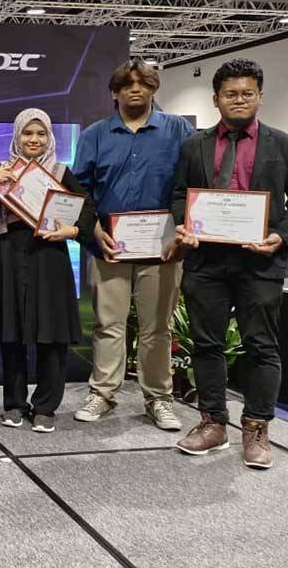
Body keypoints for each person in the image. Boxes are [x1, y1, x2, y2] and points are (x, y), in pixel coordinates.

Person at [173, 58, 288, 469]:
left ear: (260, 97)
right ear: (216, 99)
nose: (239, 100)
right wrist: (184, 224)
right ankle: (213, 423)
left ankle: (256, 428)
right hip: (206, 261)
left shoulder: (283, 145)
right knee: (207, 343)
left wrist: (281, 236)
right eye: (231, 93)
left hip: (260, 262)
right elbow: (180, 193)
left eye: (247, 93)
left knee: (261, 346)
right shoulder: (193, 144)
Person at [71, 58, 194, 430]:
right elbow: (81, 192)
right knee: (109, 324)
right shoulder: (95, 134)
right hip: (111, 246)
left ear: (154, 88)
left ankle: (158, 399)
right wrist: (94, 234)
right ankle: (102, 394)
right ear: (115, 92)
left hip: (163, 248)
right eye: (127, 85)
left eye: (143, 83)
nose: (135, 89)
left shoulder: (179, 131)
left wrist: (184, 230)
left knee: (158, 328)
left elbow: (191, 186)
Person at [0, 108, 96, 432]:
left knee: (52, 335)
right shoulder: (1, 169)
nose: (34, 139)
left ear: (49, 138)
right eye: (28, 133)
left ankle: (45, 406)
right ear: (17, 136)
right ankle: (14, 404)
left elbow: (87, 213)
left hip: (50, 258)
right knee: (11, 334)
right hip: (8, 257)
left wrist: (70, 232)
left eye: (41, 133)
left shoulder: (60, 172)